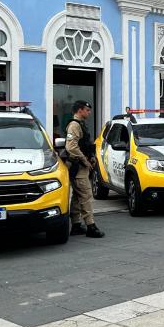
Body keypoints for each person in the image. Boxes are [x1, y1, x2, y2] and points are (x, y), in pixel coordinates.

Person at [65, 101, 104, 238]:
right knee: (86, 195)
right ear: (80, 110)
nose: (89, 112)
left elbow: (84, 145)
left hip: (81, 166)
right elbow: (71, 147)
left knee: (77, 196)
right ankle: (91, 226)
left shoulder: (81, 124)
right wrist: (85, 160)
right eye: (87, 110)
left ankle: (76, 225)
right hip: (78, 167)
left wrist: (90, 157)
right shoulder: (74, 125)